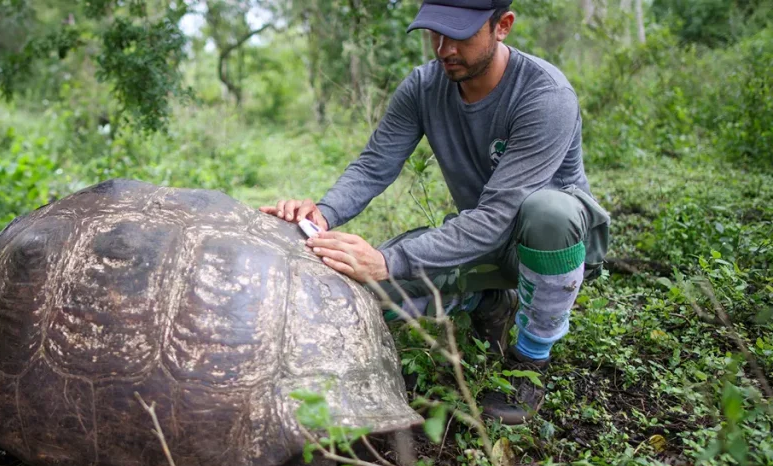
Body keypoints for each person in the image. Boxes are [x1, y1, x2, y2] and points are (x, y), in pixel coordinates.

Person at [261, 0, 610, 425]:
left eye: (459, 35)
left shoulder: (545, 96)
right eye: (435, 34)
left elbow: (499, 216)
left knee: (548, 210)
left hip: (550, 249)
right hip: (478, 243)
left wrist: (388, 260)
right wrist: (324, 213)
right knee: (368, 296)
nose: (443, 48)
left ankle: (532, 358)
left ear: (502, 26)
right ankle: (490, 300)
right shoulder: (424, 87)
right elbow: (375, 164)